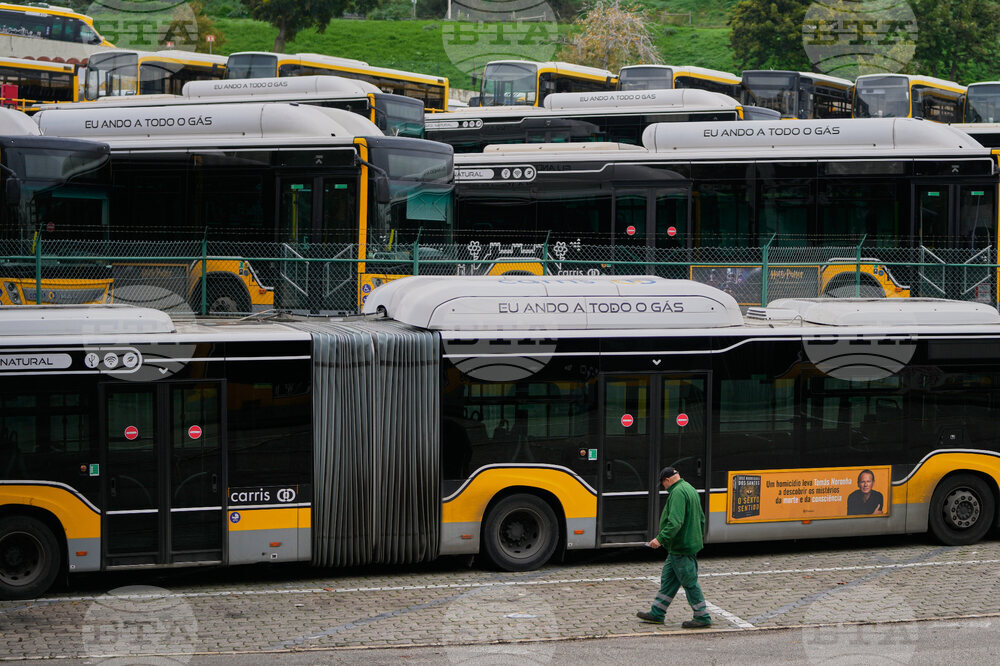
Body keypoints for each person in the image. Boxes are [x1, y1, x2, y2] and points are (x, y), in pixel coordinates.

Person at [636, 466, 712, 629]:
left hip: (682, 547)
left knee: (689, 582)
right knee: (668, 579)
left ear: (668, 480)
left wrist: (660, 539)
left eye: (663, 484)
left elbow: (675, 522)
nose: (664, 488)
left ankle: (702, 616)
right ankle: (657, 613)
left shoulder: (677, 493)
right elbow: (701, 518)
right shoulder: (689, 488)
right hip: (681, 546)